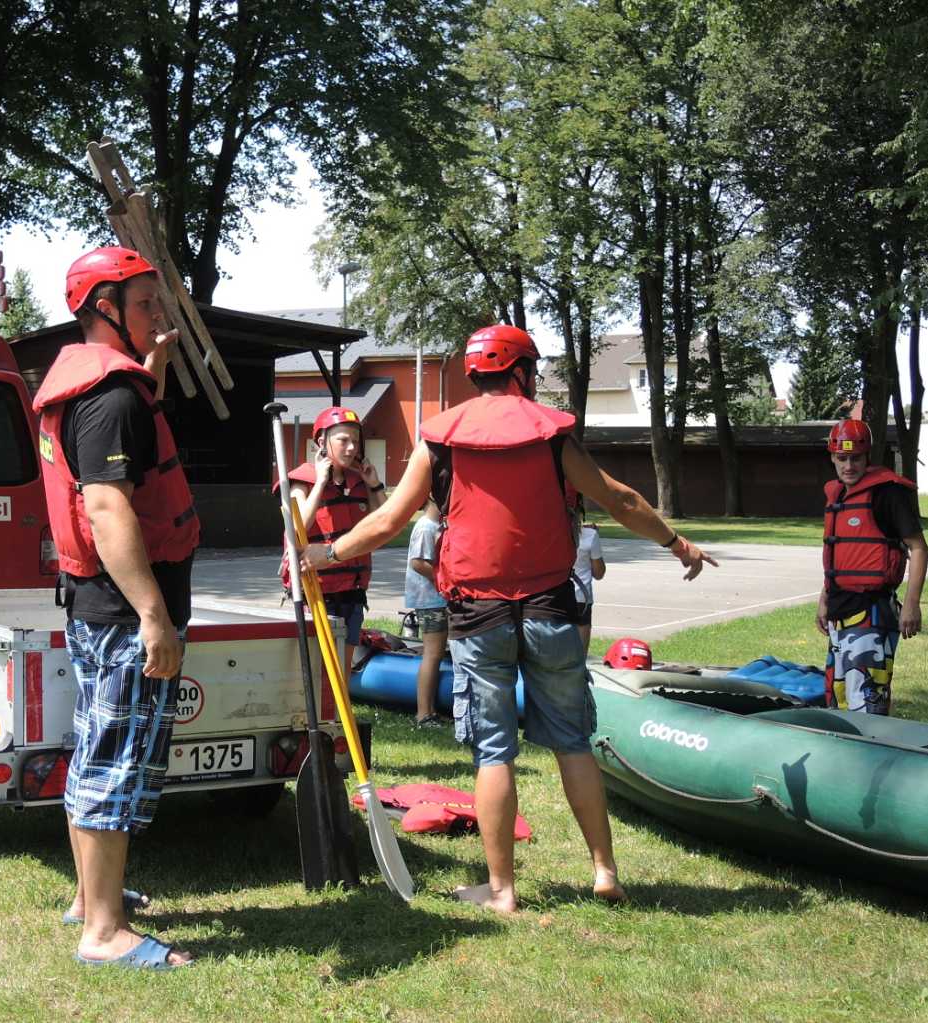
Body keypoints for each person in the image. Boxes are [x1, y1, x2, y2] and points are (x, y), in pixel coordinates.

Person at [302, 324, 715, 913]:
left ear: (476, 373)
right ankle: (603, 870)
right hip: (551, 608)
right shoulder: (552, 434)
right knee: (572, 742)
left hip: (478, 617)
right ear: (522, 371)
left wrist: (329, 552)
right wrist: (677, 543)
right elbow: (619, 498)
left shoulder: (441, 437)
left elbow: (391, 519)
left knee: (494, 753)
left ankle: (502, 891)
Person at [33, 246, 198, 970]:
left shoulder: (100, 385)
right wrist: (153, 615)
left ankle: (89, 897)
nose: (155, 314)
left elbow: (125, 432)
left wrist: (151, 361)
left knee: (96, 749)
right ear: (102, 307)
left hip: (95, 605)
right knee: (116, 763)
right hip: (124, 612)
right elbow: (105, 507)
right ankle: (103, 932)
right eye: (142, 304)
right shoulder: (111, 397)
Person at [816, 419, 928, 715]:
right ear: (832, 458)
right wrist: (824, 598)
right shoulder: (837, 495)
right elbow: (839, 555)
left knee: (866, 701)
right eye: (842, 458)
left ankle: (871, 754)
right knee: (838, 697)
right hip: (840, 612)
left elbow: (918, 548)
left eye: (856, 458)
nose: (849, 465)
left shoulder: (887, 494)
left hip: (873, 613)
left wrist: (912, 605)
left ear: (868, 457)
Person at [280, 406, 387, 683]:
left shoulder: (359, 481)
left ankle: (339, 721)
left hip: (351, 592)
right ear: (322, 443)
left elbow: (384, 521)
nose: (351, 448)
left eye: (355, 441)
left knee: (342, 671)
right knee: (316, 672)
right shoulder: (302, 482)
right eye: (343, 440)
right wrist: (320, 482)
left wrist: (374, 484)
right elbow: (296, 527)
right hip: (316, 594)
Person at [405, 497, 448, 726]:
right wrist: (446, 579)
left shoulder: (438, 526)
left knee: (437, 654)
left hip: (438, 599)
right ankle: (423, 713)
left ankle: (431, 709)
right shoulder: (425, 527)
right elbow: (418, 563)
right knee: (432, 654)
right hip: (429, 601)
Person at [569, 499, 607, 651]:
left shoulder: (547, 534)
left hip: (554, 596)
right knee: (580, 655)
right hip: (580, 597)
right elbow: (599, 573)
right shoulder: (590, 535)